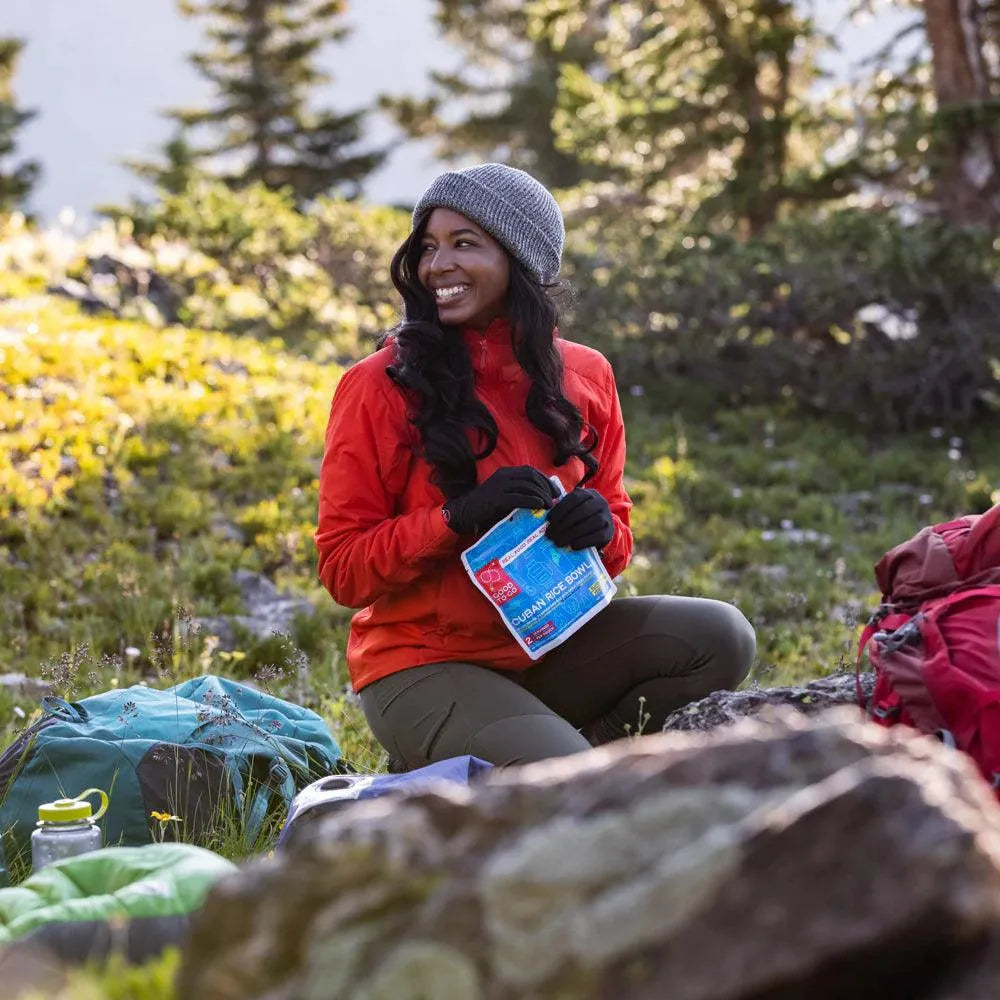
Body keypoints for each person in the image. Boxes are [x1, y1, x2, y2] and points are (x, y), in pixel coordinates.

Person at [315, 163, 755, 769]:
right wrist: (457, 518)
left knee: (722, 637)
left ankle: (550, 750)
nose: (437, 264)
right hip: (423, 664)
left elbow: (617, 539)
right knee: (573, 781)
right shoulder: (379, 385)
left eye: (464, 243)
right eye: (428, 247)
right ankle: (505, 754)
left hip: (552, 647)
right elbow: (343, 570)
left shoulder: (586, 375)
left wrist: (600, 530)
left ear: (520, 259)